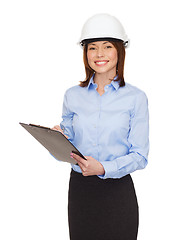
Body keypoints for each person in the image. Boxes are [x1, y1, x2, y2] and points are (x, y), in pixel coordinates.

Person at [53, 13, 149, 240]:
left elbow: (140, 156)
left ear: (119, 51)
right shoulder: (72, 95)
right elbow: (67, 148)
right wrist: (57, 139)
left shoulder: (136, 98)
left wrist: (104, 168)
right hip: (80, 192)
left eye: (107, 46)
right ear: (85, 53)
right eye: (92, 47)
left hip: (117, 194)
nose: (99, 54)